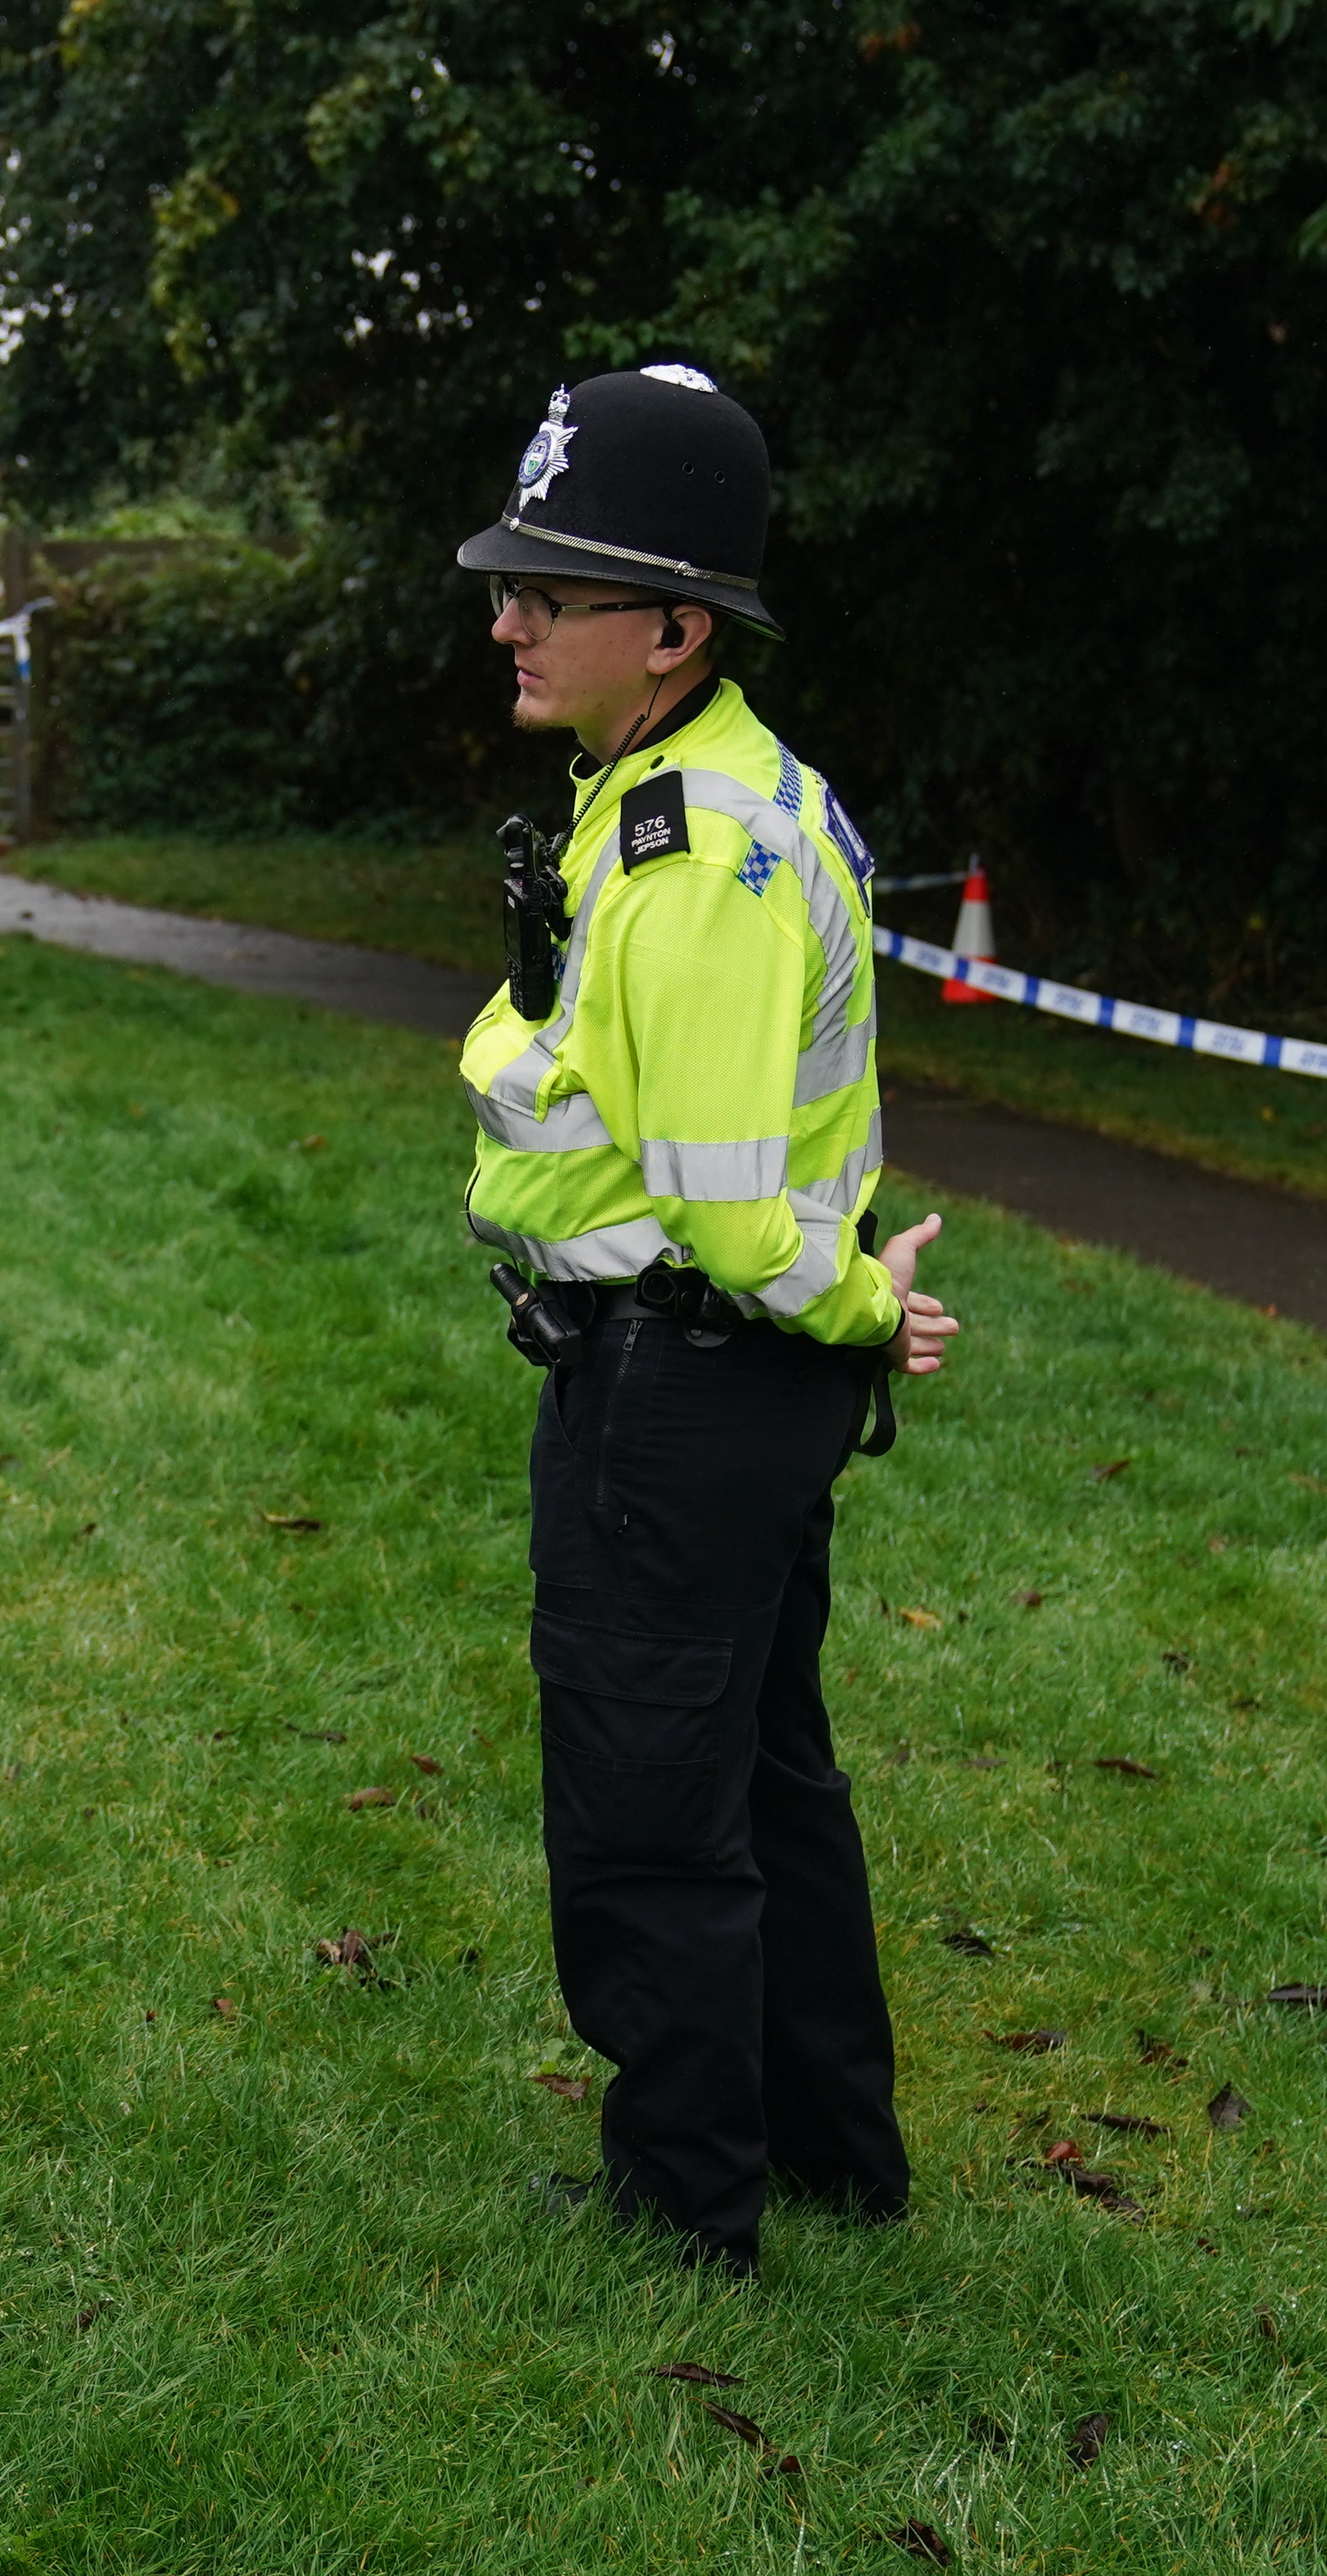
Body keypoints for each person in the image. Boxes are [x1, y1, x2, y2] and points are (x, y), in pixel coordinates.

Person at [447, 364, 960, 2278]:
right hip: (724, 1377)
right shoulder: (686, 794)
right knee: (760, 1772)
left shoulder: (699, 854)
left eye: (548, 591)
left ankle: (686, 2209)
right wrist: (831, 1314)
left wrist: (845, 1305)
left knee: (652, 1805)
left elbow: (741, 1205)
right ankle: (830, 2154)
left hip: (674, 1383)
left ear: (669, 628)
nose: (507, 618)